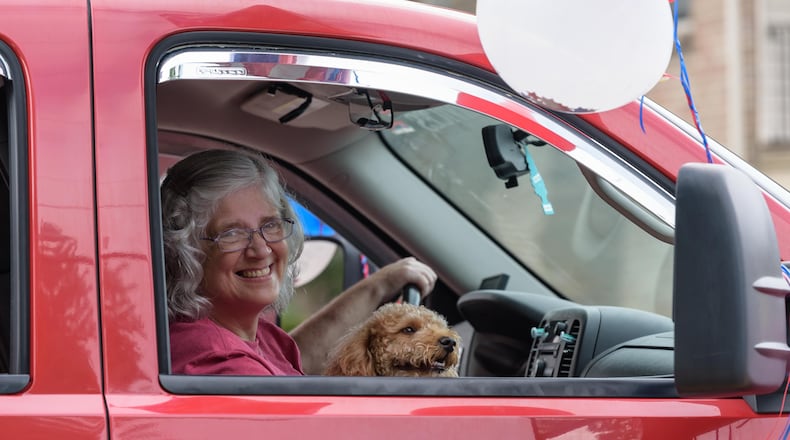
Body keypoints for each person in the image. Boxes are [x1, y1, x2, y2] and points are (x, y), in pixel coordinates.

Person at [162, 149, 437, 375]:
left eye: (270, 225)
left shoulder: (243, 335)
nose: (260, 248)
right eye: (232, 233)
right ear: (185, 251)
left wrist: (378, 287)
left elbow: (299, 364)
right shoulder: (222, 365)